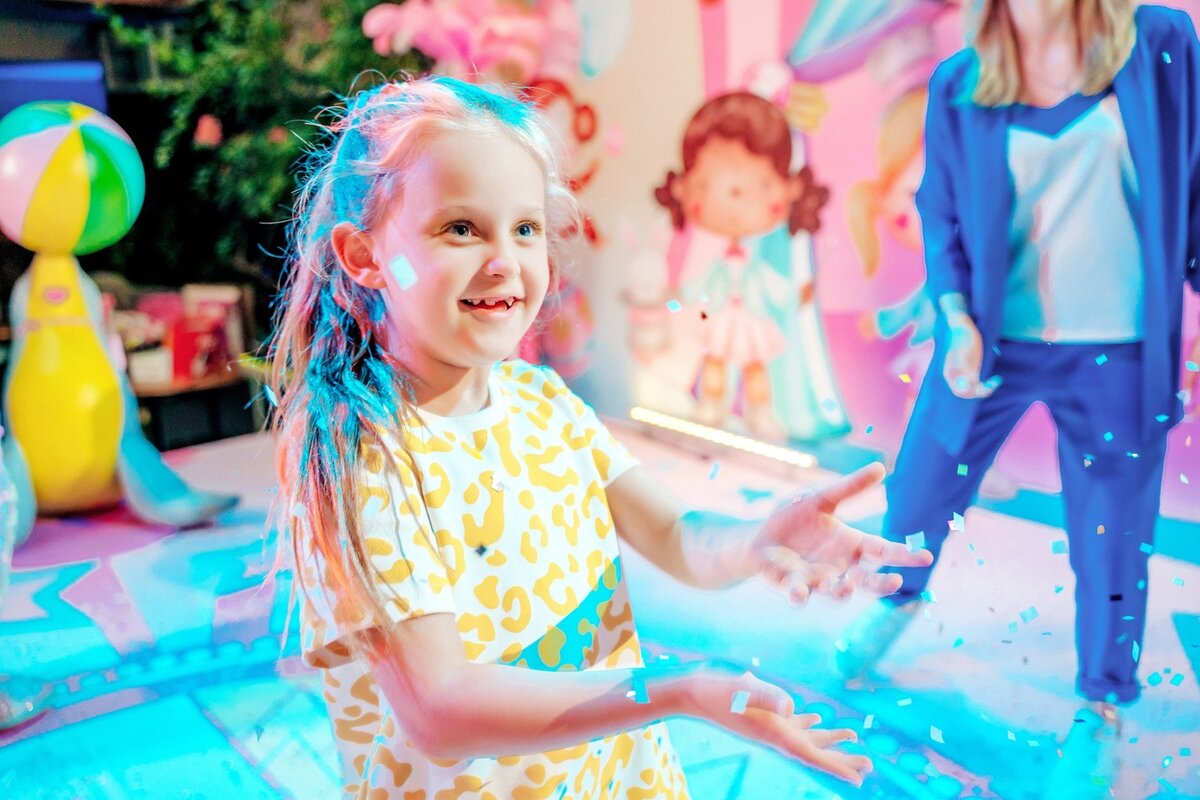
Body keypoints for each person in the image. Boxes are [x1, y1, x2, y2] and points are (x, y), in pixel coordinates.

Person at [266, 75, 933, 798]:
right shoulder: (364, 454)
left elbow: (676, 536)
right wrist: (676, 691)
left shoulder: (543, 402)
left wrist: (758, 538)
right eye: (461, 229)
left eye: (525, 229)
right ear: (363, 256)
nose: (504, 260)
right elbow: (440, 710)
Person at [835, 0, 1200, 728]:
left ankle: (1104, 697)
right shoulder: (958, 83)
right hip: (993, 341)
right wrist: (956, 317)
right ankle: (892, 605)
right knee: (919, 493)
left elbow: (1193, 187)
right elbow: (941, 214)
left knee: (1113, 539)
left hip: (1121, 351)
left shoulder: (1159, 43)